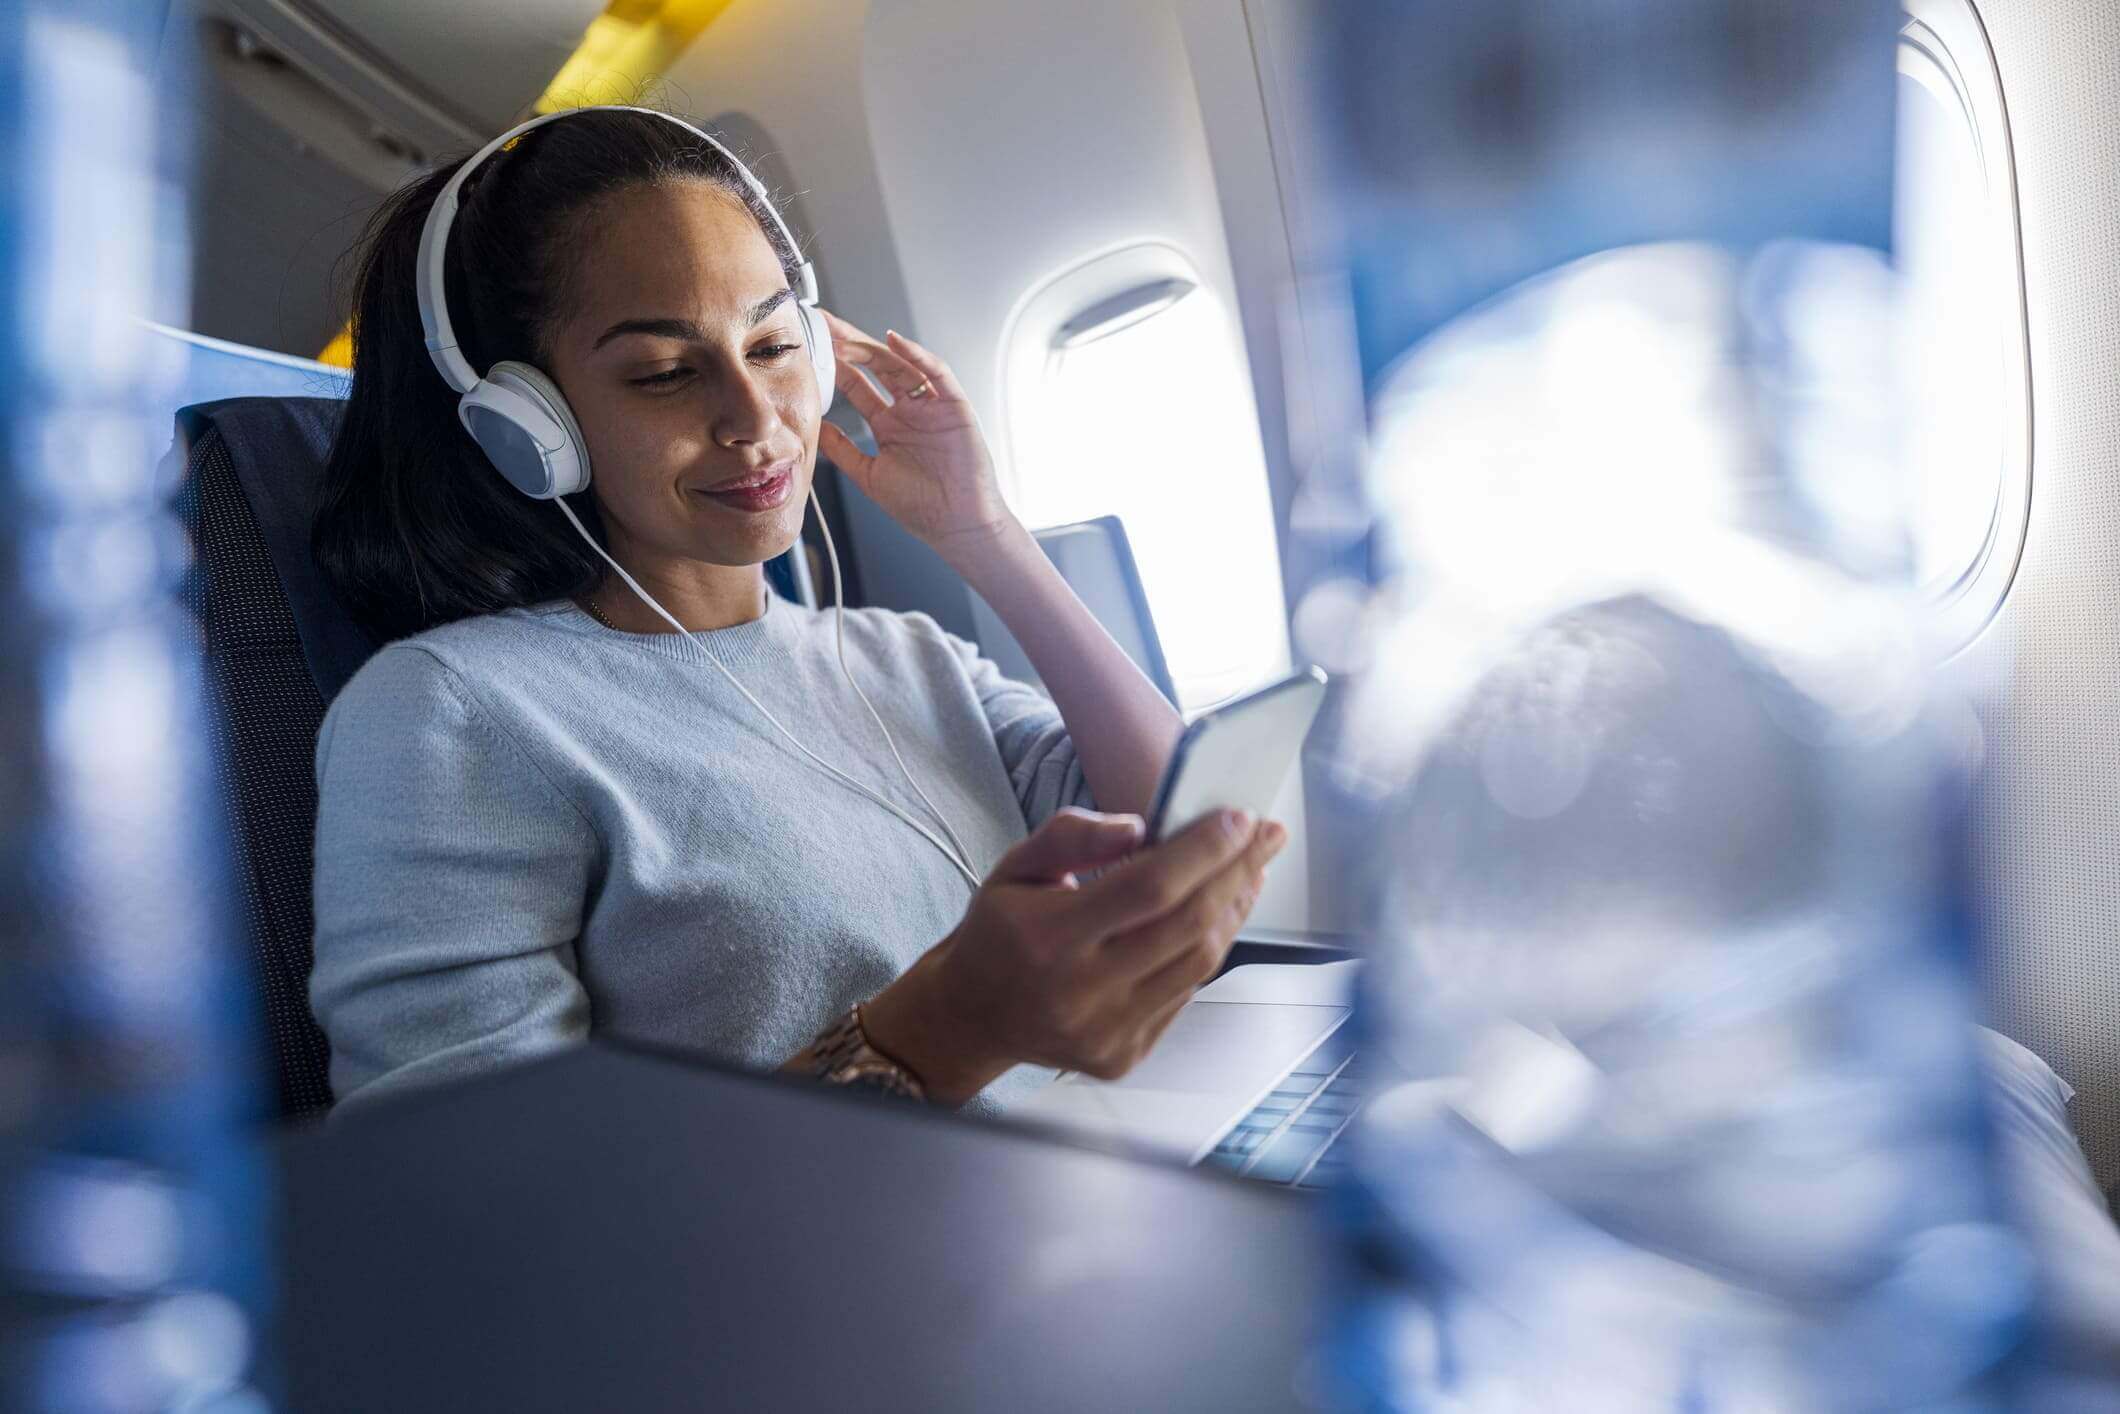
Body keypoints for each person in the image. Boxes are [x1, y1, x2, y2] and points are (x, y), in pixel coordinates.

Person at [308, 106, 1284, 1114]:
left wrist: (984, 534)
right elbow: (463, 1194)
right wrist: (945, 1029)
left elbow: (1179, 832)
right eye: (665, 373)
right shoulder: (454, 712)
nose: (754, 416)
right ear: (526, 422)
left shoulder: (902, 657)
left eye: (773, 343)